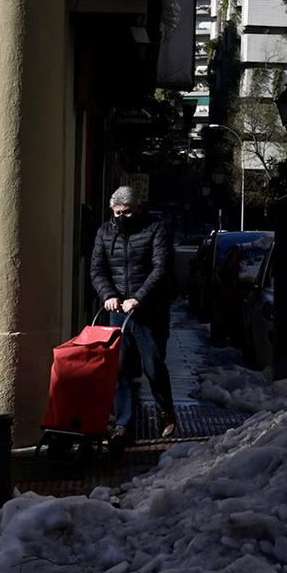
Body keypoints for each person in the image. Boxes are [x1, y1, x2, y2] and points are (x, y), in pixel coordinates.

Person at [90, 185, 178, 441]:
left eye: (127, 212)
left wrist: (139, 298)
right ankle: (123, 424)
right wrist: (108, 295)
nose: (121, 217)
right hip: (118, 311)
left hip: (150, 311)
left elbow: (161, 268)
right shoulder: (105, 232)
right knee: (120, 368)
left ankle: (166, 411)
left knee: (153, 365)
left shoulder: (156, 228)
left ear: (138, 208)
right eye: (117, 212)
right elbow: (97, 269)